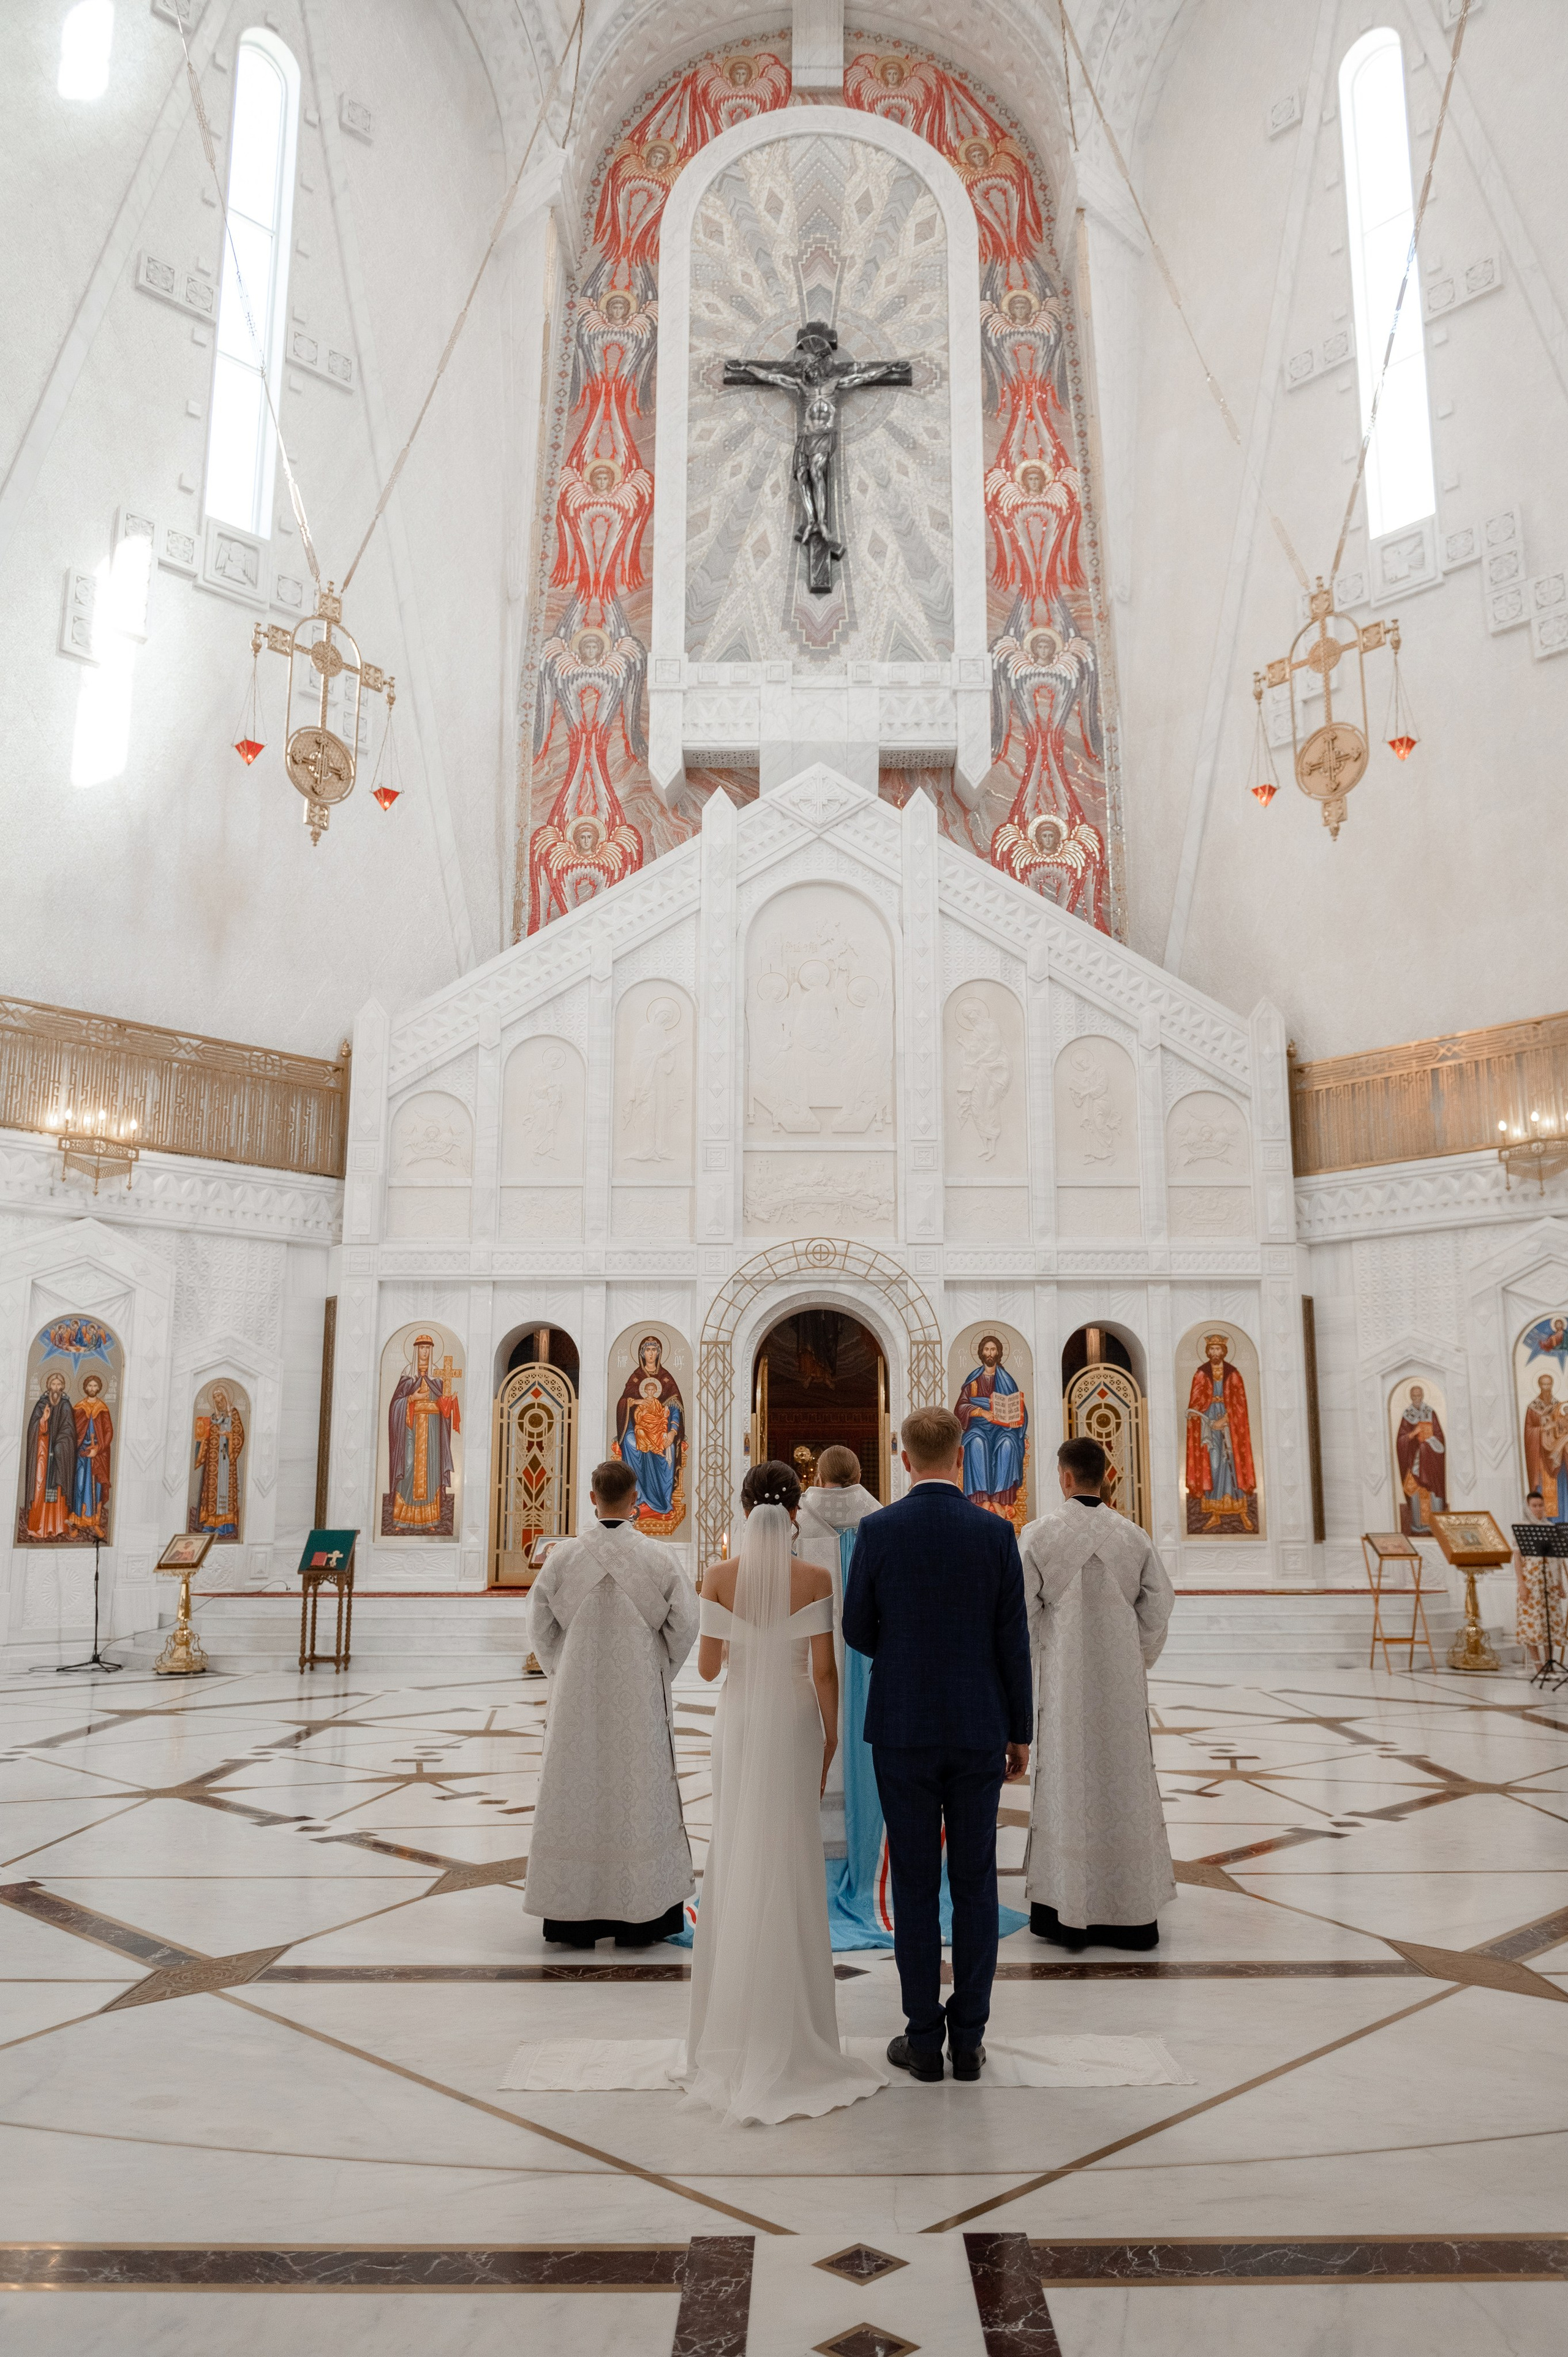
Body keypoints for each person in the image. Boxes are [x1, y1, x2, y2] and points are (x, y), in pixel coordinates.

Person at [684, 1459, 883, 2125]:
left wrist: (733, 1629)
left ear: (745, 1509)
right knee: (792, 1847)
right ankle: (795, 2025)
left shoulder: (718, 1575)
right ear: (796, 1509)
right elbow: (826, 1670)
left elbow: (710, 1667)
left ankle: (734, 2024)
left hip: (740, 1718)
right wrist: (830, 1739)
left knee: (738, 1842)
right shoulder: (818, 1576)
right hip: (797, 1716)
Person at [842, 1408, 1032, 2083]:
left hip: (903, 1725)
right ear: (960, 1458)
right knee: (976, 1881)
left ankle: (923, 2037)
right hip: (980, 1723)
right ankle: (970, 2038)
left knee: (917, 1882)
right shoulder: (994, 1532)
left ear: (903, 1458)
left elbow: (856, 1625)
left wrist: (905, 1652)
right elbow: (1014, 1638)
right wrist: (1019, 1731)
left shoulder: (879, 1528)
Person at [522, 1458, 698, 1948]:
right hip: (638, 1700)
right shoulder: (659, 1559)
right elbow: (685, 1625)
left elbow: (539, 1625)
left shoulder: (563, 1558)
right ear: (637, 1498)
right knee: (637, 1790)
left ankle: (571, 1919)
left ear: (592, 1497)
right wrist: (657, 1669)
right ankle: (639, 1917)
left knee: (575, 1786)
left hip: (577, 1698)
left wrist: (565, 1670)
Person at [1021, 1436, 1175, 1952]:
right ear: (1106, 1476)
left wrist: (1042, 1652)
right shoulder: (1134, 1536)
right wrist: (1136, 1657)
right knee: (1123, 1782)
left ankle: (1064, 1911)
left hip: (1063, 1687)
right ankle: (1129, 1914)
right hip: (1120, 1685)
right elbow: (1158, 1605)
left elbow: (1019, 1613)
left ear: (1065, 1477)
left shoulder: (1038, 1536)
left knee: (1068, 1784)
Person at [797, 1445, 883, 1933]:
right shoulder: (882, 1518)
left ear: (821, 1478)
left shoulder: (797, 1522)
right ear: (859, 1475)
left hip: (813, 1663)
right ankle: (869, 1849)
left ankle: (815, 1863)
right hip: (871, 1662)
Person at [1512, 1490, 1567, 1674]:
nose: (1538, 1509)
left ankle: (1550, 1662)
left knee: (1550, 1624)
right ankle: (1537, 1664)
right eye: (1534, 1506)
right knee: (1532, 1622)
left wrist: (1560, 1584)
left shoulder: (1551, 1527)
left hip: (1549, 1583)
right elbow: (1517, 1559)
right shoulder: (1522, 1528)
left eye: (1540, 1506)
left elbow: (1557, 1559)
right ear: (1528, 1507)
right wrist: (1521, 1585)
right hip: (1531, 1582)